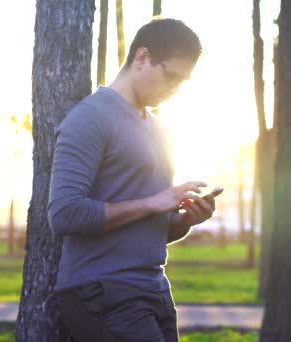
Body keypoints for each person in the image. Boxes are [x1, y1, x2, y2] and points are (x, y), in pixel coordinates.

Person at [48, 19, 214, 342]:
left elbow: (147, 227)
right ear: (141, 58)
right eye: (171, 76)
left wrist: (185, 221)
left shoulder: (160, 131)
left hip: (155, 291)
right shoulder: (90, 118)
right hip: (101, 291)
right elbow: (64, 214)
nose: (175, 89)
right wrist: (156, 202)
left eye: (183, 82)